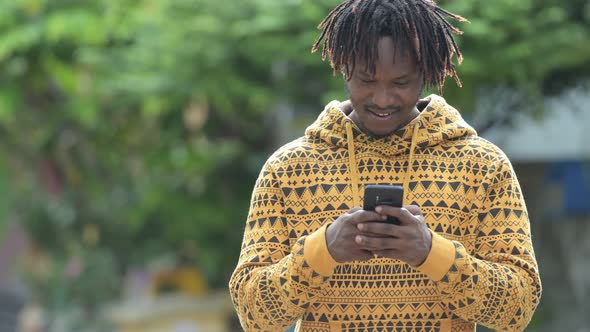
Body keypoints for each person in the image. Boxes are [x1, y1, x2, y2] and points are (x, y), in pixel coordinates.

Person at [229, 0, 542, 331]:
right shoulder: (289, 169)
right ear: (343, 67)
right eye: (367, 79)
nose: (382, 99)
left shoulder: (482, 167)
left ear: (427, 72)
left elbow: (517, 310)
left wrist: (431, 253)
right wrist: (323, 251)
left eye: (401, 83)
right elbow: (255, 317)